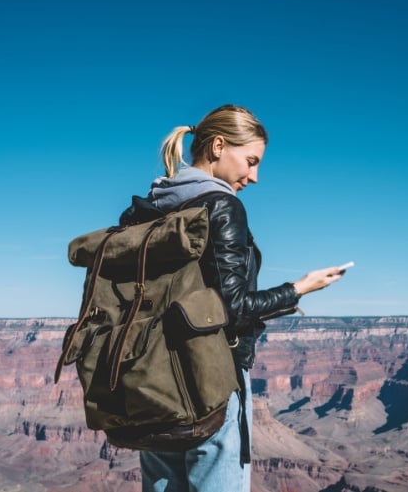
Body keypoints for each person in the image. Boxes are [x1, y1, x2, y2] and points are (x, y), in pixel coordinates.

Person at [118, 104, 346, 492]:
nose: (254, 177)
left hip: (149, 381)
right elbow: (233, 307)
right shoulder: (221, 205)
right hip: (211, 379)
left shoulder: (147, 208)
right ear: (219, 146)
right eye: (251, 161)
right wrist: (300, 288)